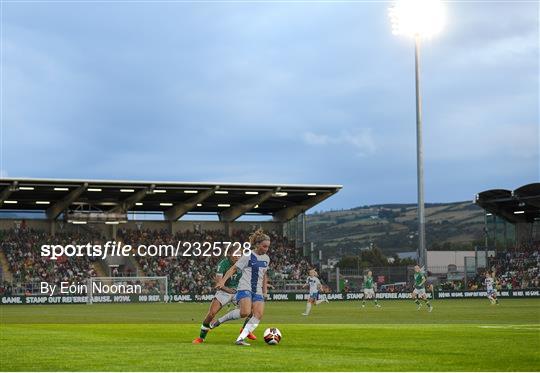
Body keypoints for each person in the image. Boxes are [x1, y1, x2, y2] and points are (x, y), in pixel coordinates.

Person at [211, 229, 271, 346]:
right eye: (264, 246)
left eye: (268, 247)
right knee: (245, 312)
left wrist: (265, 291)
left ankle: (240, 339)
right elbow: (233, 269)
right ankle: (220, 320)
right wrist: (222, 282)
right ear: (257, 244)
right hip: (245, 287)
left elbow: (264, 275)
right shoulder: (247, 256)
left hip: (257, 290)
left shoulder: (266, 259)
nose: (266, 249)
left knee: (258, 314)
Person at [192, 253, 256, 344]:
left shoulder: (243, 263)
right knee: (211, 314)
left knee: (252, 310)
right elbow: (219, 284)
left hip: (238, 291)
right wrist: (230, 291)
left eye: (239, 255)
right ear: (229, 254)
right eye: (235, 254)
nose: (237, 257)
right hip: (224, 291)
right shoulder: (223, 264)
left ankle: (245, 330)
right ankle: (201, 338)